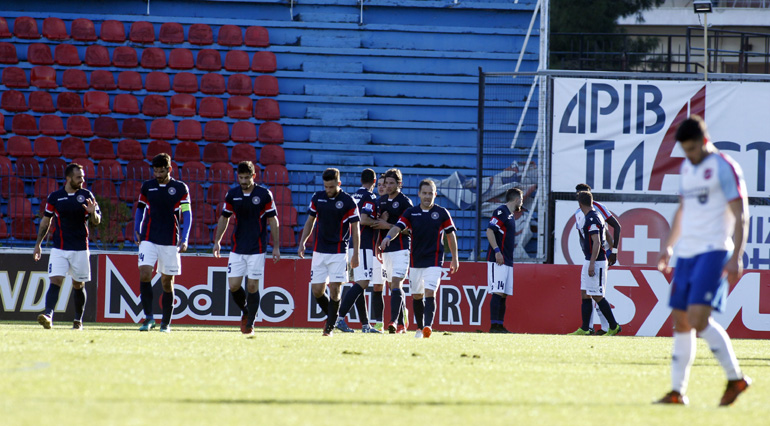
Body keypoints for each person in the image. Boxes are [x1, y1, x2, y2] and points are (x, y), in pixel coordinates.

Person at [655, 115, 751, 406]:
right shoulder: (687, 168)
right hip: (686, 253)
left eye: (693, 149)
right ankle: (677, 392)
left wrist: (736, 256)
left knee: (698, 319)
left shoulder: (724, 166)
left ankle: (735, 378)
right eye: (685, 150)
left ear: (705, 141)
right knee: (681, 321)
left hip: (714, 251)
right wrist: (669, 246)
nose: (690, 155)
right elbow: (683, 210)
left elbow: (741, 214)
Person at [380, 178, 458, 338]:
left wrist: (455, 258)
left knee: (430, 292)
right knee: (417, 295)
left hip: (434, 261)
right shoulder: (411, 212)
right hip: (415, 261)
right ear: (419, 194)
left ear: (435, 194)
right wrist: (388, 237)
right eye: (424, 193)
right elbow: (397, 228)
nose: (427, 196)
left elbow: (451, 235)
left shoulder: (442, 213)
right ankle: (420, 328)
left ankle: (427, 327)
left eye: (430, 193)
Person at [213, 161, 280, 335]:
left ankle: (250, 323)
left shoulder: (264, 194)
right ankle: (246, 311)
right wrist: (217, 241)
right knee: (234, 286)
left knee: (252, 286)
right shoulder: (232, 194)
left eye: (246, 177)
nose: (243, 181)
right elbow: (224, 218)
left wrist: (276, 246)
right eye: (241, 177)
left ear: (253, 176)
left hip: (257, 247)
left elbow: (273, 220)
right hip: (237, 247)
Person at [34, 163, 101, 330]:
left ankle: (78, 321)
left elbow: (96, 221)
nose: (82, 180)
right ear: (68, 178)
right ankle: (48, 315)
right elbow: (46, 221)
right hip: (60, 248)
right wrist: (38, 244)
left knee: (78, 284)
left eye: (83, 177)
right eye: (79, 177)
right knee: (55, 280)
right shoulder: (55, 197)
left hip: (80, 248)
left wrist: (93, 212)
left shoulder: (86, 195)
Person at [298, 168, 361, 336]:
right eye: (326, 187)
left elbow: (356, 229)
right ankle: (335, 318)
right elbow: (310, 221)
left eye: (331, 187)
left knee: (335, 289)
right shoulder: (317, 198)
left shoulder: (348, 201)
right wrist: (302, 242)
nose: (328, 190)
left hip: (339, 251)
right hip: (319, 251)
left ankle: (329, 327)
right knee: (317, 290)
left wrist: (356, 253)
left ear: (339, 183)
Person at [134, 153, 192, 333]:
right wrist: (136, 228)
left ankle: (165, 323)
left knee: (167, 282)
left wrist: (185, 238)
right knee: (145, 272)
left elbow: (187, 213)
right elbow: (140, 209)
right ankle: (149, 318)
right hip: (148, 237)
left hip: (170, 240)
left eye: (161, 171)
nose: (158, 175)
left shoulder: (180, 188)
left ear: (169, 169)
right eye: (155, 171)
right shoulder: (147, 186)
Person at [568, 191, 621, 336]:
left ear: (580, 204)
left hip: (596, 262)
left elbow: (597, 242)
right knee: (585, 293)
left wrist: (592, 263)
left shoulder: (592, 218)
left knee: (597, 295)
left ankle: (614, 326)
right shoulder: (593, 215)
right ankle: (585, 328)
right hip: (589, 260)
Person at [335, 168, 382, 333]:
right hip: (363, 245)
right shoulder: (369, 197)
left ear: (361, 180)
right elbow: (363, 219)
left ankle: (365, 325)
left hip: (350, 244)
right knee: (363, 283)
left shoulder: (352, 196)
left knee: (358, 283)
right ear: (374, 181)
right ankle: (339, 318)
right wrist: (379, 222)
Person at [373, 168, 413, 334]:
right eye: (386, 183)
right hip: (385, 250)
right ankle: (402, 321)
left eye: (391, 183)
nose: (388, 186)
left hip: (401, 248)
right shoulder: (381, 201)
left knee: (396, 283)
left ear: (399, 184)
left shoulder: (405, 202)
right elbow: (376, 225)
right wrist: (377, 244)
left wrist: (387, 225)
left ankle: (393, 322)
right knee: (392, 286)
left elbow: (410, 230)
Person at [485, 188, 523, 334]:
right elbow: (490, 231)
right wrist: (497, 251)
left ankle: (500, 325)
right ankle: (493, 326)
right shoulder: (501, 211)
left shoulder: (510, 215)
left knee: (504, 293)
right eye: (521, 199)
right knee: (498, 291)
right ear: (517, 199)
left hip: (507, 260)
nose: (521, 202)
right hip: (498, 260)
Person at [369, 173, 388, 331]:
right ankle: (379, 322)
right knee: (377, 286)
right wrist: (380, 221)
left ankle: (401, 315)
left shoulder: (396, 204)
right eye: (379, 184)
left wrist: (385, 223)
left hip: (393, 250)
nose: (381, 187)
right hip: (376, 251)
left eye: (384, 184)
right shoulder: (374, 203)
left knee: (395, 285)